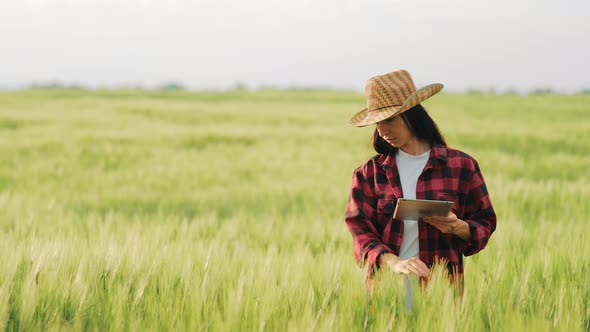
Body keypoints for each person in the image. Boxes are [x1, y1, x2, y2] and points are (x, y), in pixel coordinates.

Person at [345, 69, 496, 306]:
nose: (383, 131)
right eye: (377, 123)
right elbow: (359, 231)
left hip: (443, 296)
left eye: (390, 119)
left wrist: (458, 226)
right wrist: (394, 262)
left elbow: (485, 224)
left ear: (412, 115)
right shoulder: (368, 174)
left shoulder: (461, 166)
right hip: (386, 295)